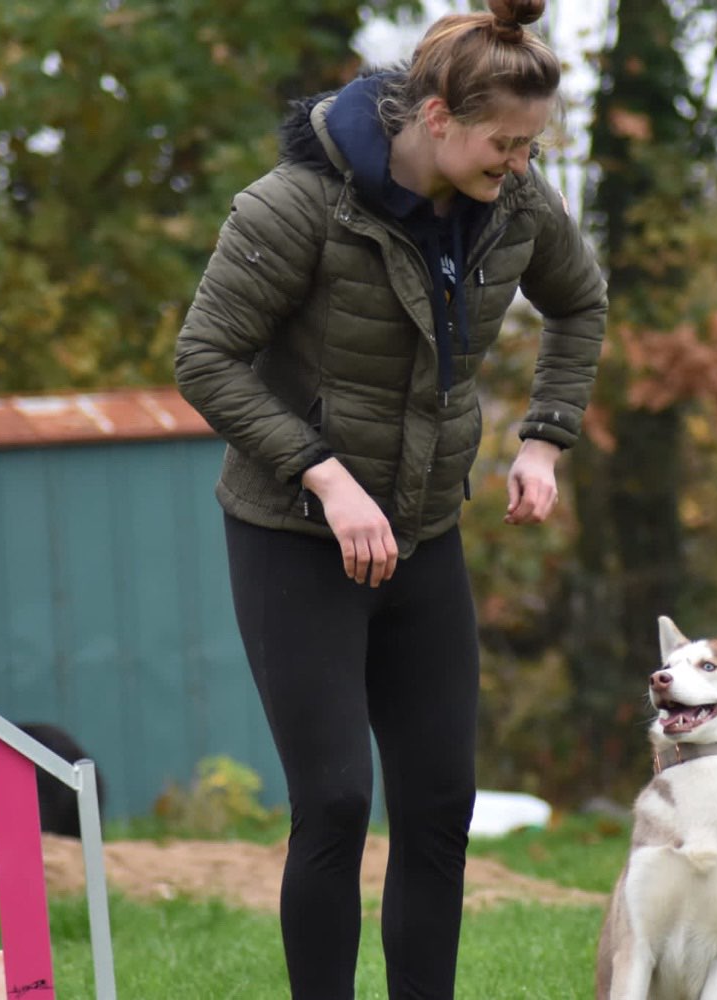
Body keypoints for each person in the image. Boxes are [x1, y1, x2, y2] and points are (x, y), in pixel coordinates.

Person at [175, 0, 606, 996]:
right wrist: (324, 474)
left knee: (438, 804)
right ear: (439, 116)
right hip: (294, 536)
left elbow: (579, 300)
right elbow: (205, 359)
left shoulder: (513, 207)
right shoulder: (291, 207)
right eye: (506, 142)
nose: (522, 163)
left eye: (532, 144)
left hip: (422, 536)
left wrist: (544, 438)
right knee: (332, 802)